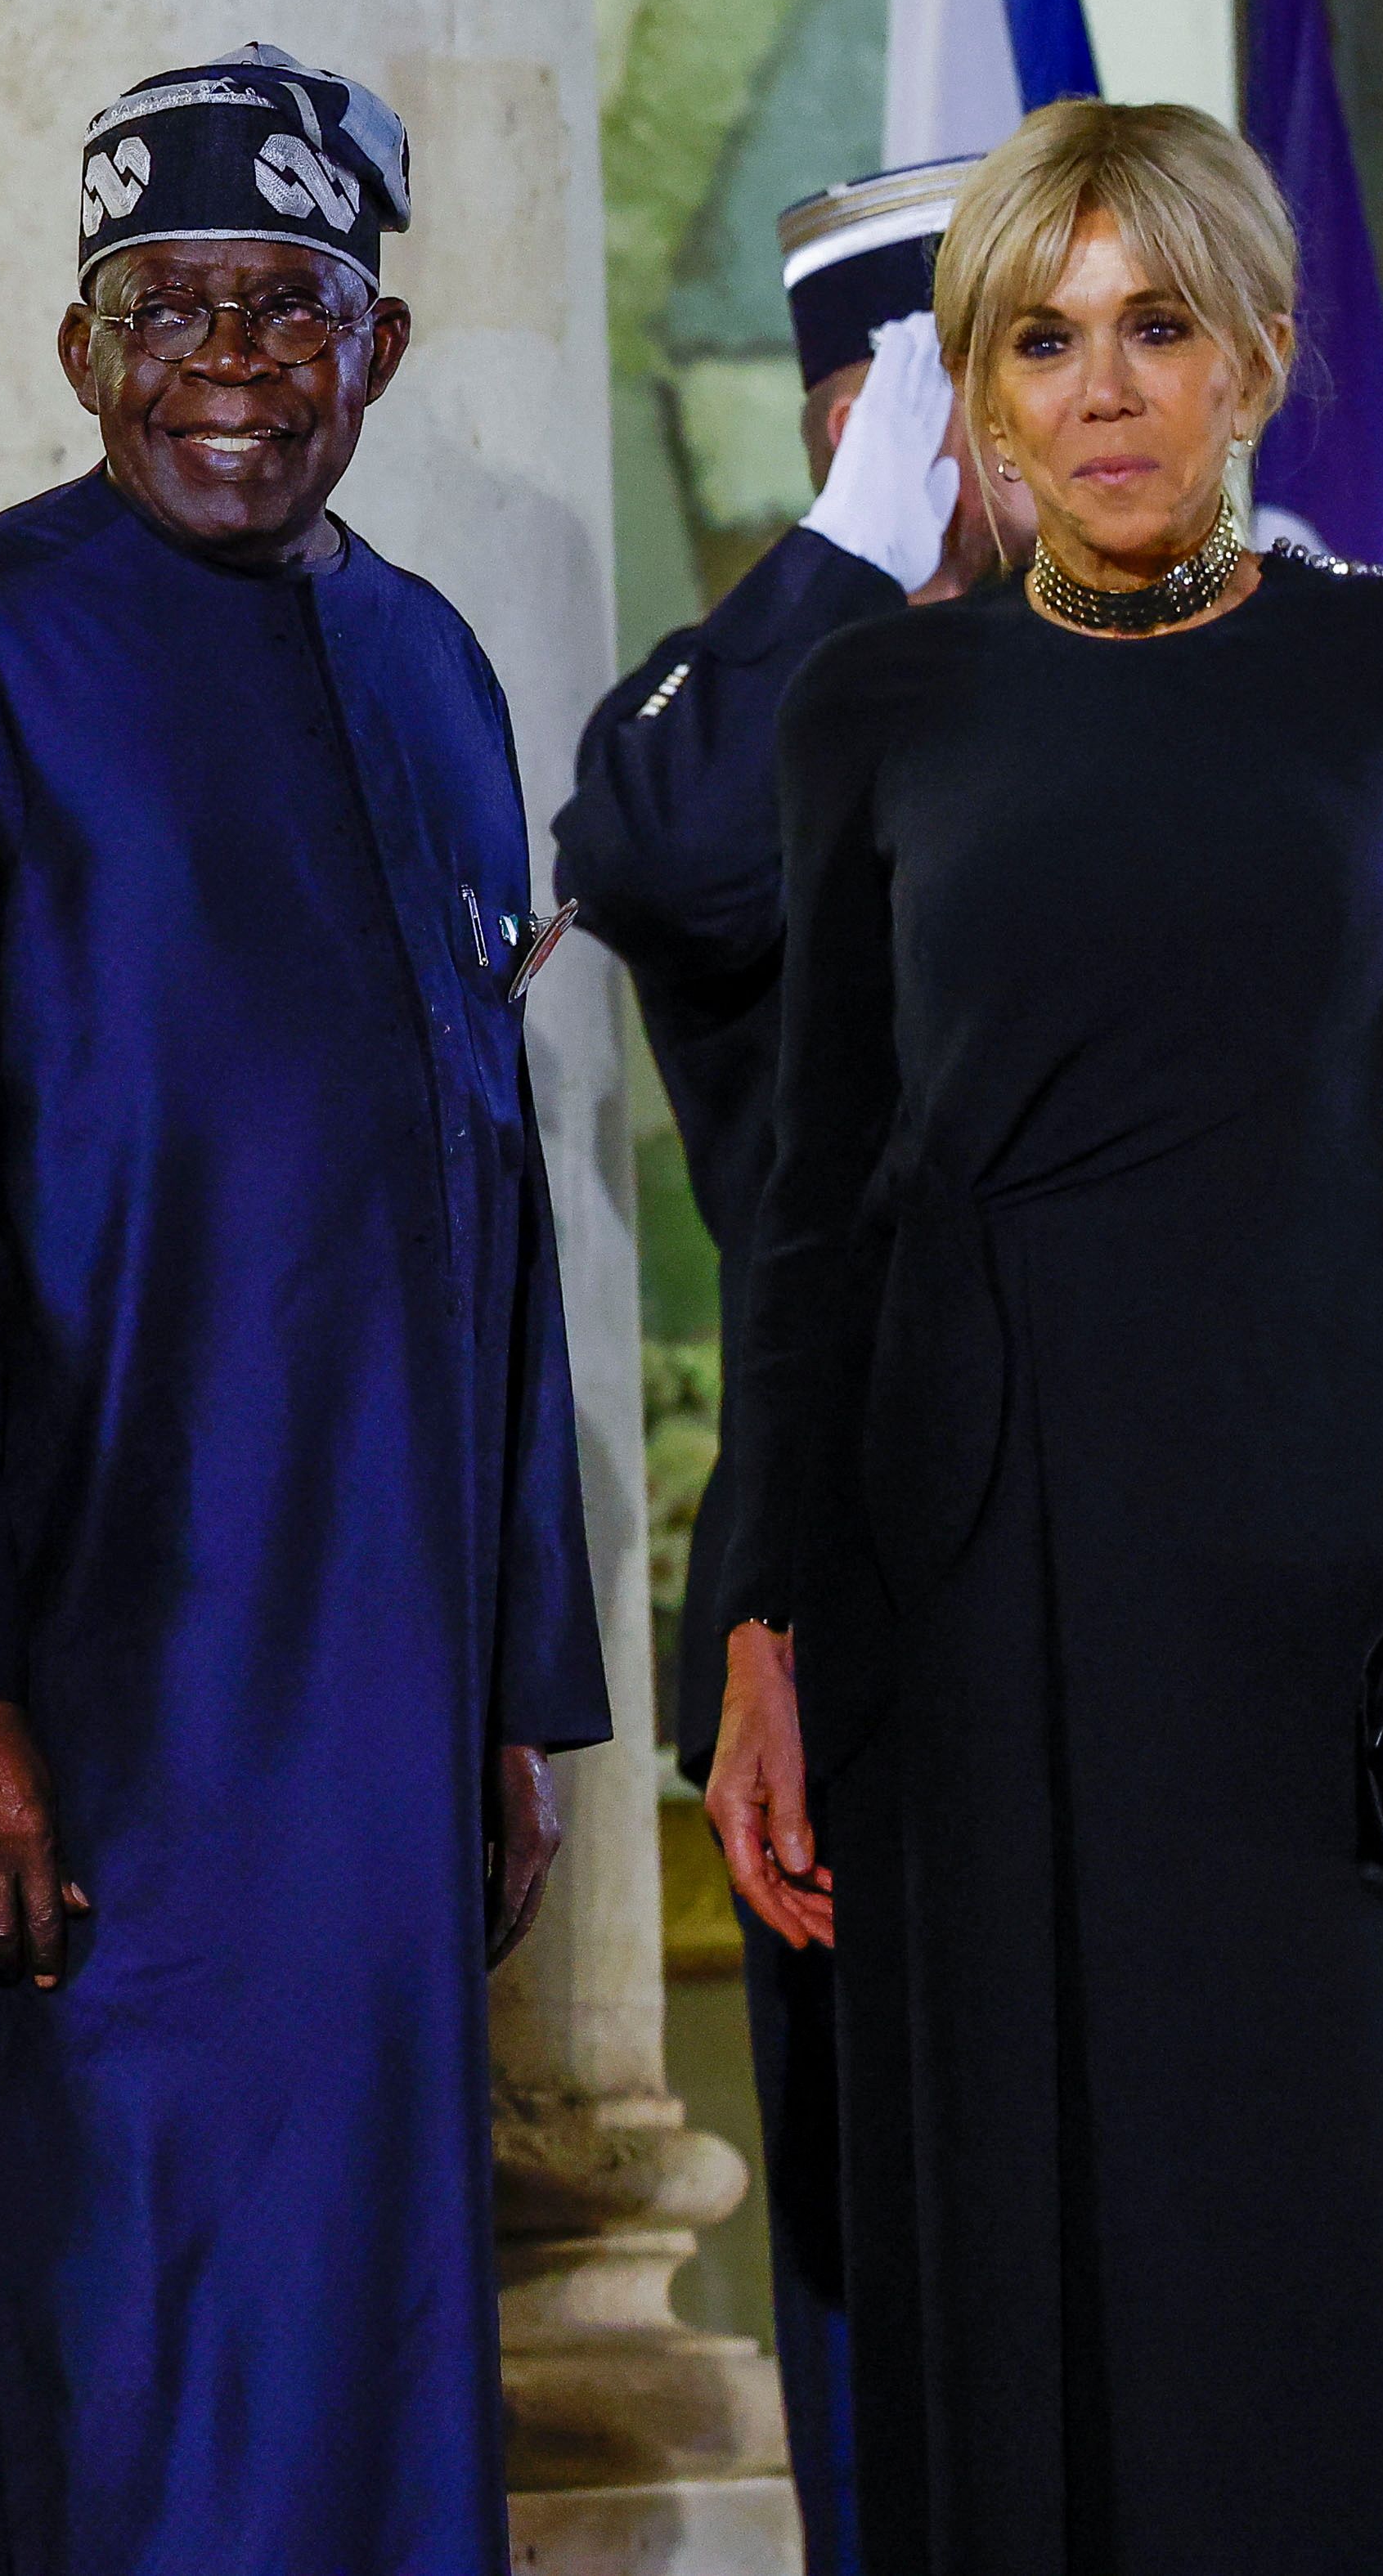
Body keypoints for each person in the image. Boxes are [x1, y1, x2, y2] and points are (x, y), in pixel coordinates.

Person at [705, 99, 1383, 2575]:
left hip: (1292, 1567)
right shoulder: (873, 719)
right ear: (981, 400)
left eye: (1153, 327)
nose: (1099, 389)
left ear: (1254, 360)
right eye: (1039, 338)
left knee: (1290, 2211)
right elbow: (816, 1206)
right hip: (953, 1562)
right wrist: (764, 1615)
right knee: (997, 2225)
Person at [0, 45, 613, 2572]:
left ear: (379, 348)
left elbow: (491, 1229)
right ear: (78, 355)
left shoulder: (436, 674)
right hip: (81, 1713)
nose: (234, 362)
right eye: (164, 308)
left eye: (292, 306)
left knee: (363, 2351)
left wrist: (513, 1689)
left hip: (373, 1714)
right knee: (101, 2354)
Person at [550, 158, 1035, 2574]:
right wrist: (855, 547)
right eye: (908, 400)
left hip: (1175, 1551)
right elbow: (643, 856)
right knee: (903, 2269)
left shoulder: (1209, 678)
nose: (968, 449)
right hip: (848, 1564)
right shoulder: (748, 719)